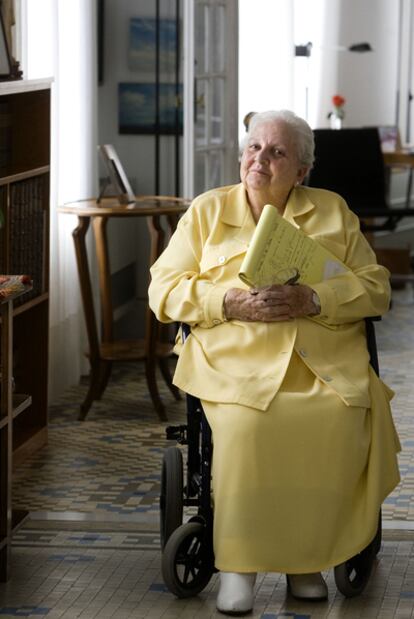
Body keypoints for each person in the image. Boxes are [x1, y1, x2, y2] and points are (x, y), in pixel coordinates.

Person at [148, 110, 401, 615]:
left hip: (319, 361)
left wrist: (315, 298)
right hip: (234, 364)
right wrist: (228, 302)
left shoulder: (333, 212)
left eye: (276, 152)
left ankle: (304, 563)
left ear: (302, 171)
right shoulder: (206, 212)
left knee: (334, 419)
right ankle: (238, 567)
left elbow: (377, 288)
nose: (259, 159)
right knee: (247, 428)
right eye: (253, 148)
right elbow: (163, 290)